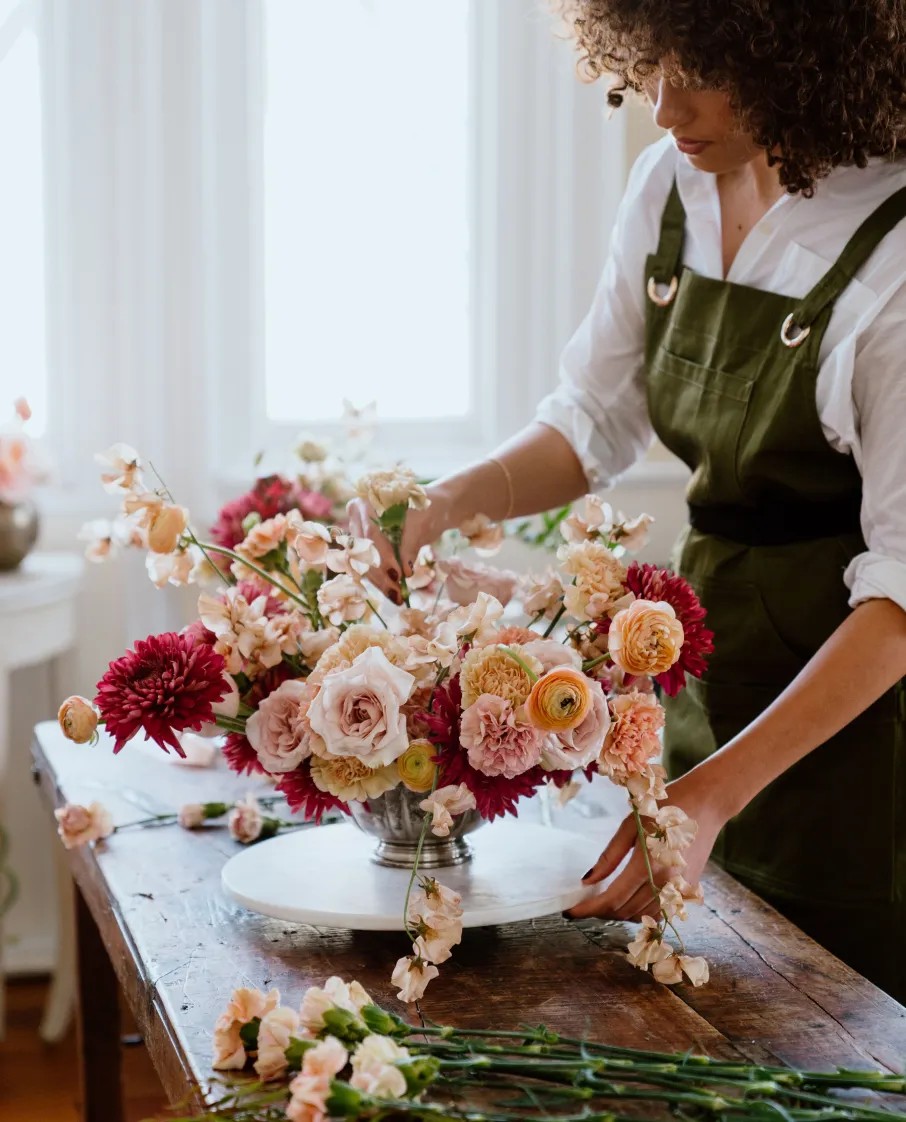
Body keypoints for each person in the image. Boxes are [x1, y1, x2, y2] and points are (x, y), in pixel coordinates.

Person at [349, 0, 906, 1002]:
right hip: (713, 690)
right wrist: (439, 502)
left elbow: (903, 601)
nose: (662, 107)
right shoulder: (673, 186)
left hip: (863, 740)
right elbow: (594, 422)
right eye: (654, 62)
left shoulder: (892, 257)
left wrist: (712, 797)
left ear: (806, 53)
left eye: (703, 70)